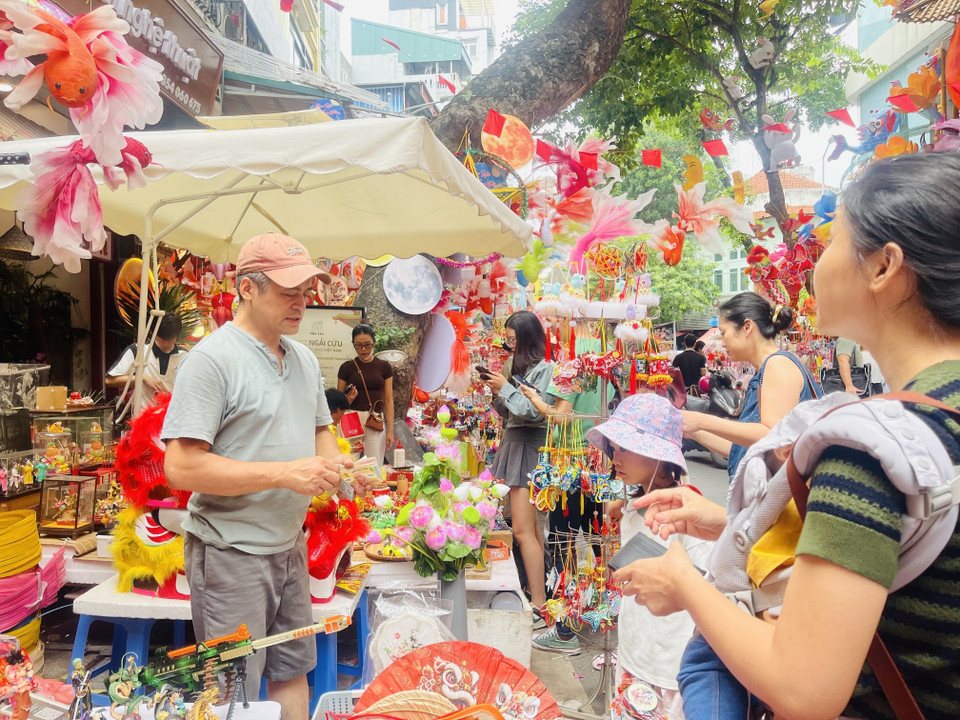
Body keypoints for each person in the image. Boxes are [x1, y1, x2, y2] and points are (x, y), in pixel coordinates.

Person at [613, 153, 960, 719]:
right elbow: (883, 550)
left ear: (883, 267)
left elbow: (801, 689)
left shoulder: (871, 447)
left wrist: (683, 582)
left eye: (831, 243)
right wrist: (729, 523)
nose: (813, 267)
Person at [162, 233, 369, 720]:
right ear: (247, 289)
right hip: (231, 553)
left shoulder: (299, 358)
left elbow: (321, 431)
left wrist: (338, 469)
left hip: (289, 545)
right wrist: (284, 474)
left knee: (291, 669)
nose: (301, 303)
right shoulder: (212, 360)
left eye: (306, 290)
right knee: (234, 690)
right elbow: (182, 466)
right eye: (288, 291)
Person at [587, 394, 712, 715]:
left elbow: (706, 589)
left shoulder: (687, 513)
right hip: (634, 650)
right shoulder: (632, 508)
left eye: (624, 448)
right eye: (614, 447)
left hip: (670, 663)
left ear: (656, 453)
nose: (614, 456)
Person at [519, 335, 615, 654]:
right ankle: (601, 614)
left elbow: (561, 415)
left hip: (568, 467)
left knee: (562, 542)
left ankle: (564, 631)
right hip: (599, 462)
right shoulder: (604, 361)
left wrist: (535, 399)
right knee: (597, 540)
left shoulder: (571, 363)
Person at [681, 292, 820, 479]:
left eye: (724, 333)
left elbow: (772, 435)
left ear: (747, 327)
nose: (722, 342)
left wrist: (701, 420)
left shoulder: (777, 364)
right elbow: (741, 450)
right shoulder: (767, 369)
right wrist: (691, 430)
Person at [483, 310, 553, 610]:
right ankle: (537, 592)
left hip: (529, 446)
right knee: (532, 531)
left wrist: (506, 389)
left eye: (514, 340)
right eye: (507, 340)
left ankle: (538, 604)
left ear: (526, 338)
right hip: (514, 443)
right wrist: (497, 391)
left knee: (524, 531)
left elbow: (535, 412)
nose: (510, 346)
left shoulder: (545, 368)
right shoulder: (515, 364)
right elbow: (509, 411)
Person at [337, 324, 394, 464]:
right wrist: (347, 400)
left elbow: (388, 399)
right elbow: (337, 400)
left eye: (367, 345)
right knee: (349, 461)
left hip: (374, 418)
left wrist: (391, 431)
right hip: (350, 416)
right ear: (353, 344)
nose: (363, 349)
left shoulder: (384, 367)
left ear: (374, 342)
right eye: (358, 345)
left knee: (374, 463)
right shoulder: (346, 368)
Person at [106, 314, 184, 408]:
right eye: (161, 339)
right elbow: (110, 381)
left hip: (173, 415)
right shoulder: (138, 350)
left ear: (177, 336)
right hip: (143, 415)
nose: (166, 343)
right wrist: (143, 378)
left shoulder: (184, 355)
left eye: (170, 339)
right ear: (153, 333)